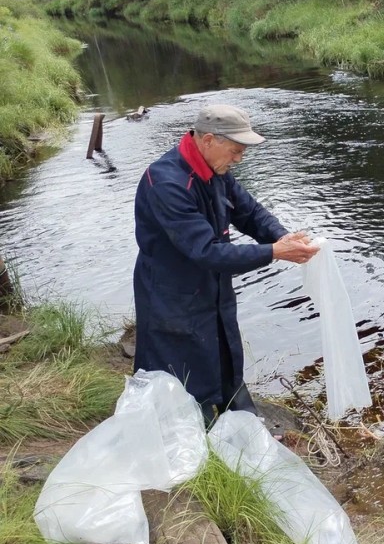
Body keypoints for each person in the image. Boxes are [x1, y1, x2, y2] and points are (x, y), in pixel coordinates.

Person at [133, 104, 319, 425]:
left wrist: (284, 236)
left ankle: (238, 413)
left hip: (211, 288)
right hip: (172, 296)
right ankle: (195, 427)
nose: (239, 158)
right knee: (182, 369)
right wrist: (275, 251)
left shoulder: (216, 171)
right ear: (207, 140)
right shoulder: (165, 183)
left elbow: (249, 212)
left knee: (224, 352)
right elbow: (208, 252)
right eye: (235, 150)